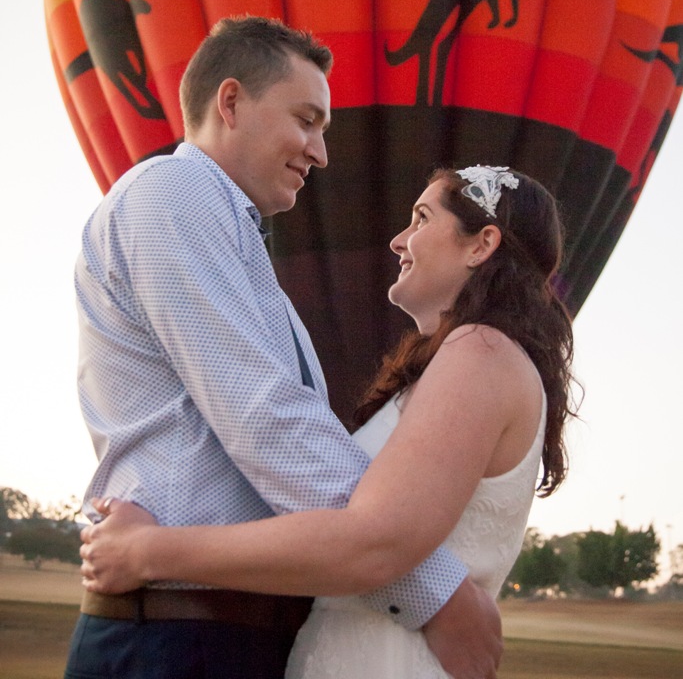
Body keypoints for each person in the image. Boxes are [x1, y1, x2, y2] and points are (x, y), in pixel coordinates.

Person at [64, 16, 501, 679]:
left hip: (218, 631)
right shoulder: (172, 191)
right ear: (231, 101)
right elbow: (262, 416)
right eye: (306, 120)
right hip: (176, 636)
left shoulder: (234, 236)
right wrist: (432, 591)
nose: (321, 152)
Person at [80, 163, 578, 679]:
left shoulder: (480, 352)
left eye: (422, 219)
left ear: (481, 244)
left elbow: (371, 543)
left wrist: (148, 552)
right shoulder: (469, 361)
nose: (398, 240)